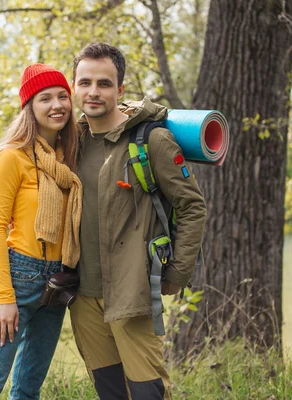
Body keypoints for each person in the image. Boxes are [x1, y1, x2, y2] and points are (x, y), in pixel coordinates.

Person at [69, 42, 207, 399]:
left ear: (120, 89)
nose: (93, 92)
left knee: (148, 392)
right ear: (74, 87)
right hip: (83, 296)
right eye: (85, 83)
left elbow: (192, 206)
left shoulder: (153, 141)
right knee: (110, 392)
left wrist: (177, 273)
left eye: (104, 83)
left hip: (133, 293)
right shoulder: (72, 142)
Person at [0, 63, 82, 400]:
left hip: (59, 281)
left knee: (28, 390)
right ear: (29, 107)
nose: (57, 105)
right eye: (45, 98)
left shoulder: (67, 157)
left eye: (63, 96)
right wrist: (5, 299)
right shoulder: (10, 156)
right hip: (19, 276)